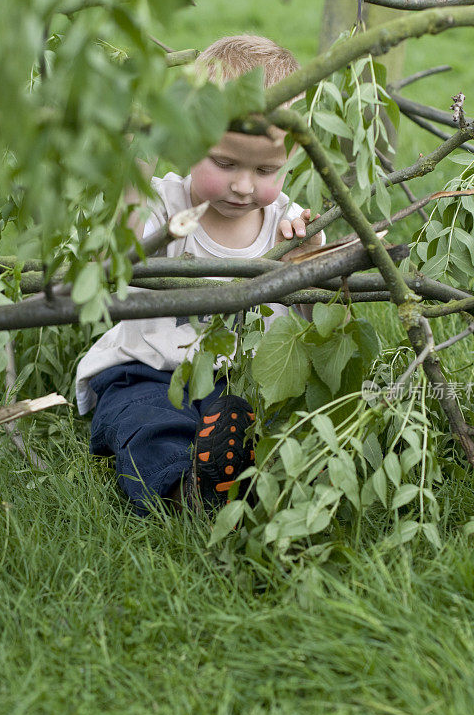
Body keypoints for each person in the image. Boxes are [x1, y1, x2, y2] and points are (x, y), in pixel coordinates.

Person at [75, 35, 323, 513]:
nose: (243, 185)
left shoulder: (286, 227)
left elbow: (305, 328)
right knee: (144, 425)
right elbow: (119, 244)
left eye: (267, 169)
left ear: (291, 160)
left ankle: (236, 474)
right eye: (225, 162)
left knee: (265, 420)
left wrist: (308, 264)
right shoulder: (163, 204)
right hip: (147, 371)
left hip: (235, 382)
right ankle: (184, 490)